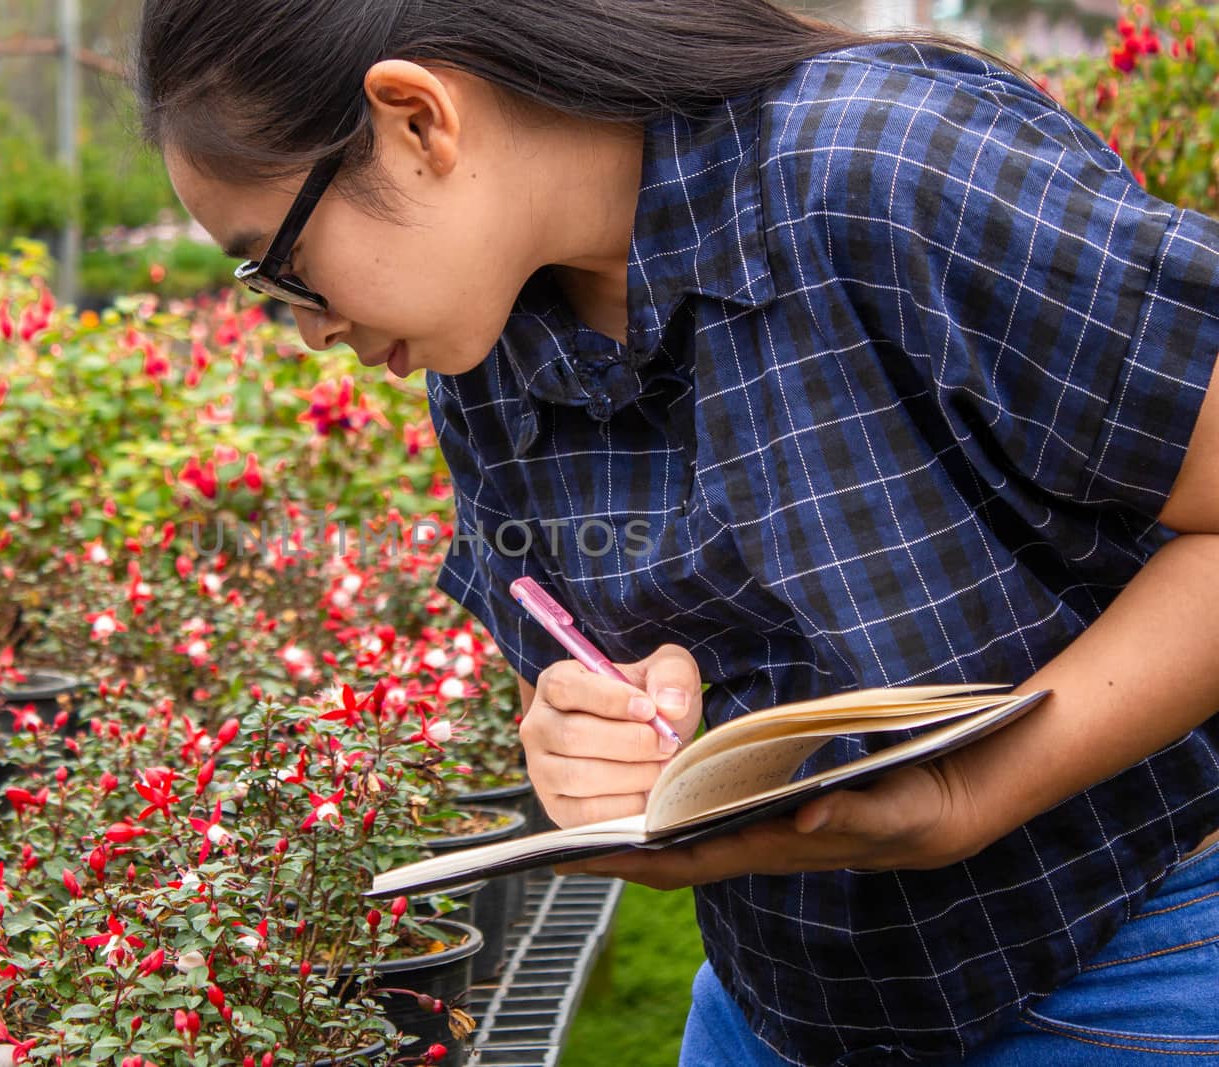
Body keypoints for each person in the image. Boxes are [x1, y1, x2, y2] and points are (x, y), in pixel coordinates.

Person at [134, 1, 1219, 1062]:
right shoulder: (489, 344)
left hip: (1130, 961)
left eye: (277, 265)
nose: (306, 327)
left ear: (417, 119)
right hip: (778, 1004)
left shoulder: (884, 168)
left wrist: (981, 791)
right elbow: (558, 678)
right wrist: (582, 746)